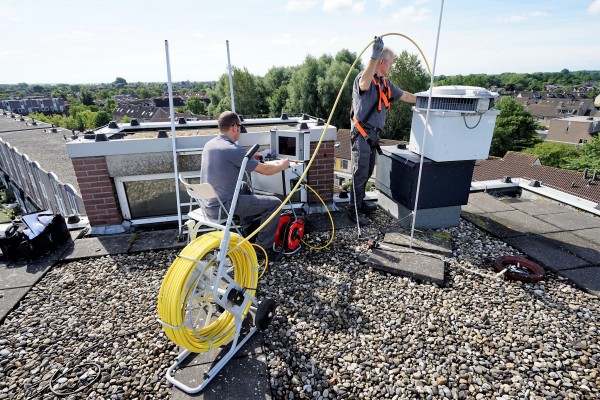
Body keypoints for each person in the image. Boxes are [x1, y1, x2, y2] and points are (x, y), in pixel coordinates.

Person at [200, 111, 290, 259]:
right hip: (223, 207)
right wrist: (282, 165)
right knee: (276, 204)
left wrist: (248, 157)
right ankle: (262, 249)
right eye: (240, 128)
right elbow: (265, 170)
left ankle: (248, 231)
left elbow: (229, 161)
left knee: (243, 186)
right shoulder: (232, 149)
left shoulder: (210, 145)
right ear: (234, 127)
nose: (240, 131)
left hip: (207, 204)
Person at [348, 36, 417, 225]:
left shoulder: (385, 83)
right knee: (360, 173)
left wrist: (425, 101)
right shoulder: (363, 79)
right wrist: (373, 55)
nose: (392, 67)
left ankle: (359, 203)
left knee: (367, 171)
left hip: (373, 137)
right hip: (362, 135)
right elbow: (364, 83)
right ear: (382, 62)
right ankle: (354, 210)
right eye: (391, 64)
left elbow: (404, 96)